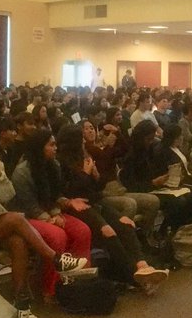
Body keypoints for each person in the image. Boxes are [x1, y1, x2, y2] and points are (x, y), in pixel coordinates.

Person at [0, 121, 88, 307]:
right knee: (16, 218)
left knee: (18, 242)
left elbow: (7, 195)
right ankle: (56, 259)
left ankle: (21, 299)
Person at [56, 125, 168, 292]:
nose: (83, 141)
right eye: (80, 138)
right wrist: (86, 174)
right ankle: (134, 276)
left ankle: (143, 265)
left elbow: (98, 188)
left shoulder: (83, 157)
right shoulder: (61, 164)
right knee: (108, 231)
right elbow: (69, 192)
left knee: (125, 223)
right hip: (77, 206)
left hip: (95, 201)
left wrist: (96, 175)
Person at [9, 129, 94, 299]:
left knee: (83, 230)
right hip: (27, 218)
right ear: (39, 147)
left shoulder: (53, 165)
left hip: (50, 212)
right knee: (57, 236)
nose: (55, 148)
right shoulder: (22, 172)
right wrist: (49, 219)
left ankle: (79, 281)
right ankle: (51, 288)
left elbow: (55, 195)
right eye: (51, 145)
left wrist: (56, 213)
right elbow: (29, 206)